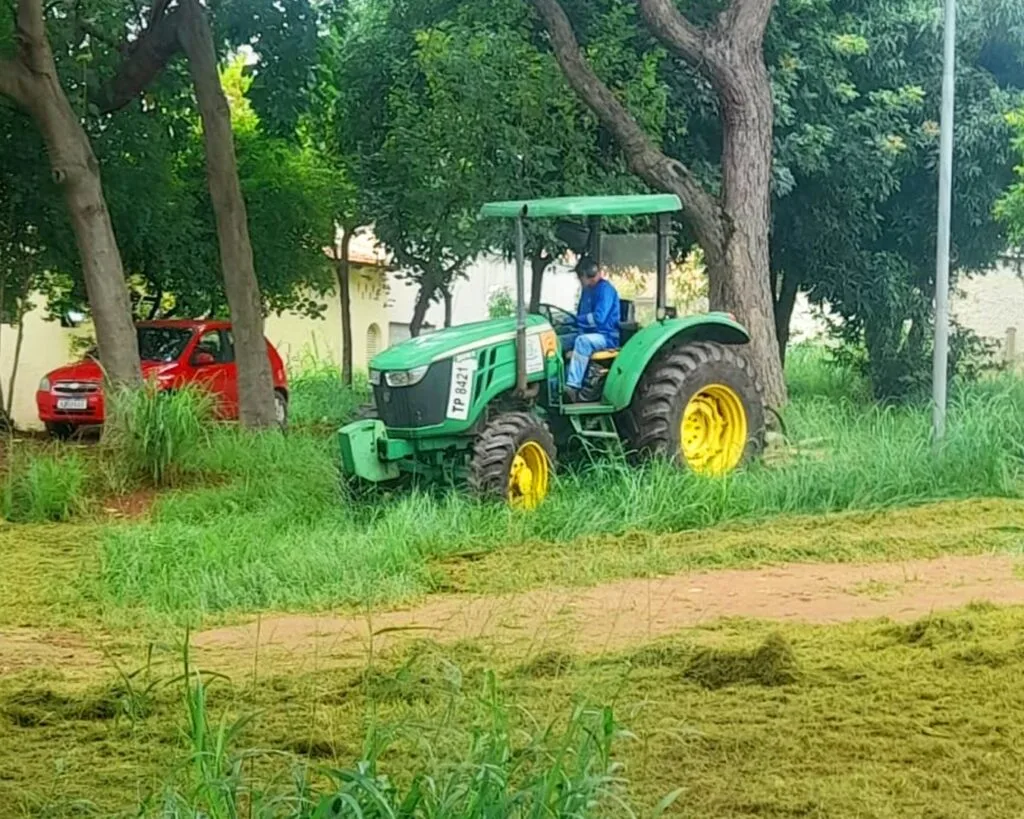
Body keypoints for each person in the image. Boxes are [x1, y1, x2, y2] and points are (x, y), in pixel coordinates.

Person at [565, 255, 620, 402]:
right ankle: (555, 382)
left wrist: (578, 321)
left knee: (583, 341)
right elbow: (581, 316)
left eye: (579, 277)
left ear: (586, 275)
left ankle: (573, 386)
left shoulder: (605, 290)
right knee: (558, 340)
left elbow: (598, 319)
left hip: (606, 337)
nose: (579, 281)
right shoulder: (587, 290)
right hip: (590, 333)